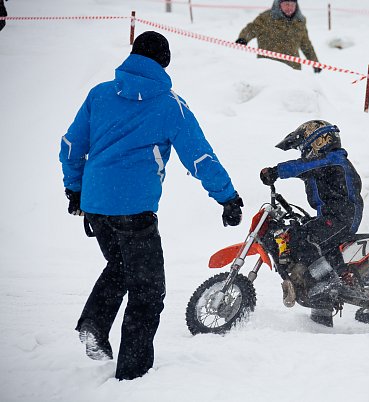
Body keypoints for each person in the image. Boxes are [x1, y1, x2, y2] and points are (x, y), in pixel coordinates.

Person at [59, 31, 243, 381]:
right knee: (147, 290)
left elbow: (71, 146)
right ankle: (133, 375)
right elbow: (199, 157)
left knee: (120, 266)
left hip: (96, 205)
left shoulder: (99, 94)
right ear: (165, 62)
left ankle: (95, 322)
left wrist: (74, 189)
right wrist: (227, 197)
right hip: (134, 208)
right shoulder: (169, 104)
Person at [259, 120, 363, 326]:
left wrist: (276, 171)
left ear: (320, 140)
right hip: (331, 217)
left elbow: (304, 167)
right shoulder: (324, 164)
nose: (303, 152)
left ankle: (327, 284)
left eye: (303, 146)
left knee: (306, 240)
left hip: (342, 218)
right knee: (299, 234)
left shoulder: (333, 159)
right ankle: (320, 314)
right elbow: (306, 170)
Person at [235, 0, 321, 72]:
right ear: (278, 4)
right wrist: (243, 38)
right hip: (268, 68)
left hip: (292, 69)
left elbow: (306, 44)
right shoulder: (266, 18)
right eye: (286, 4)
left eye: (292, 5)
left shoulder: (300, 21)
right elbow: (251, 28)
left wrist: (315, 63)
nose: (289, 8)